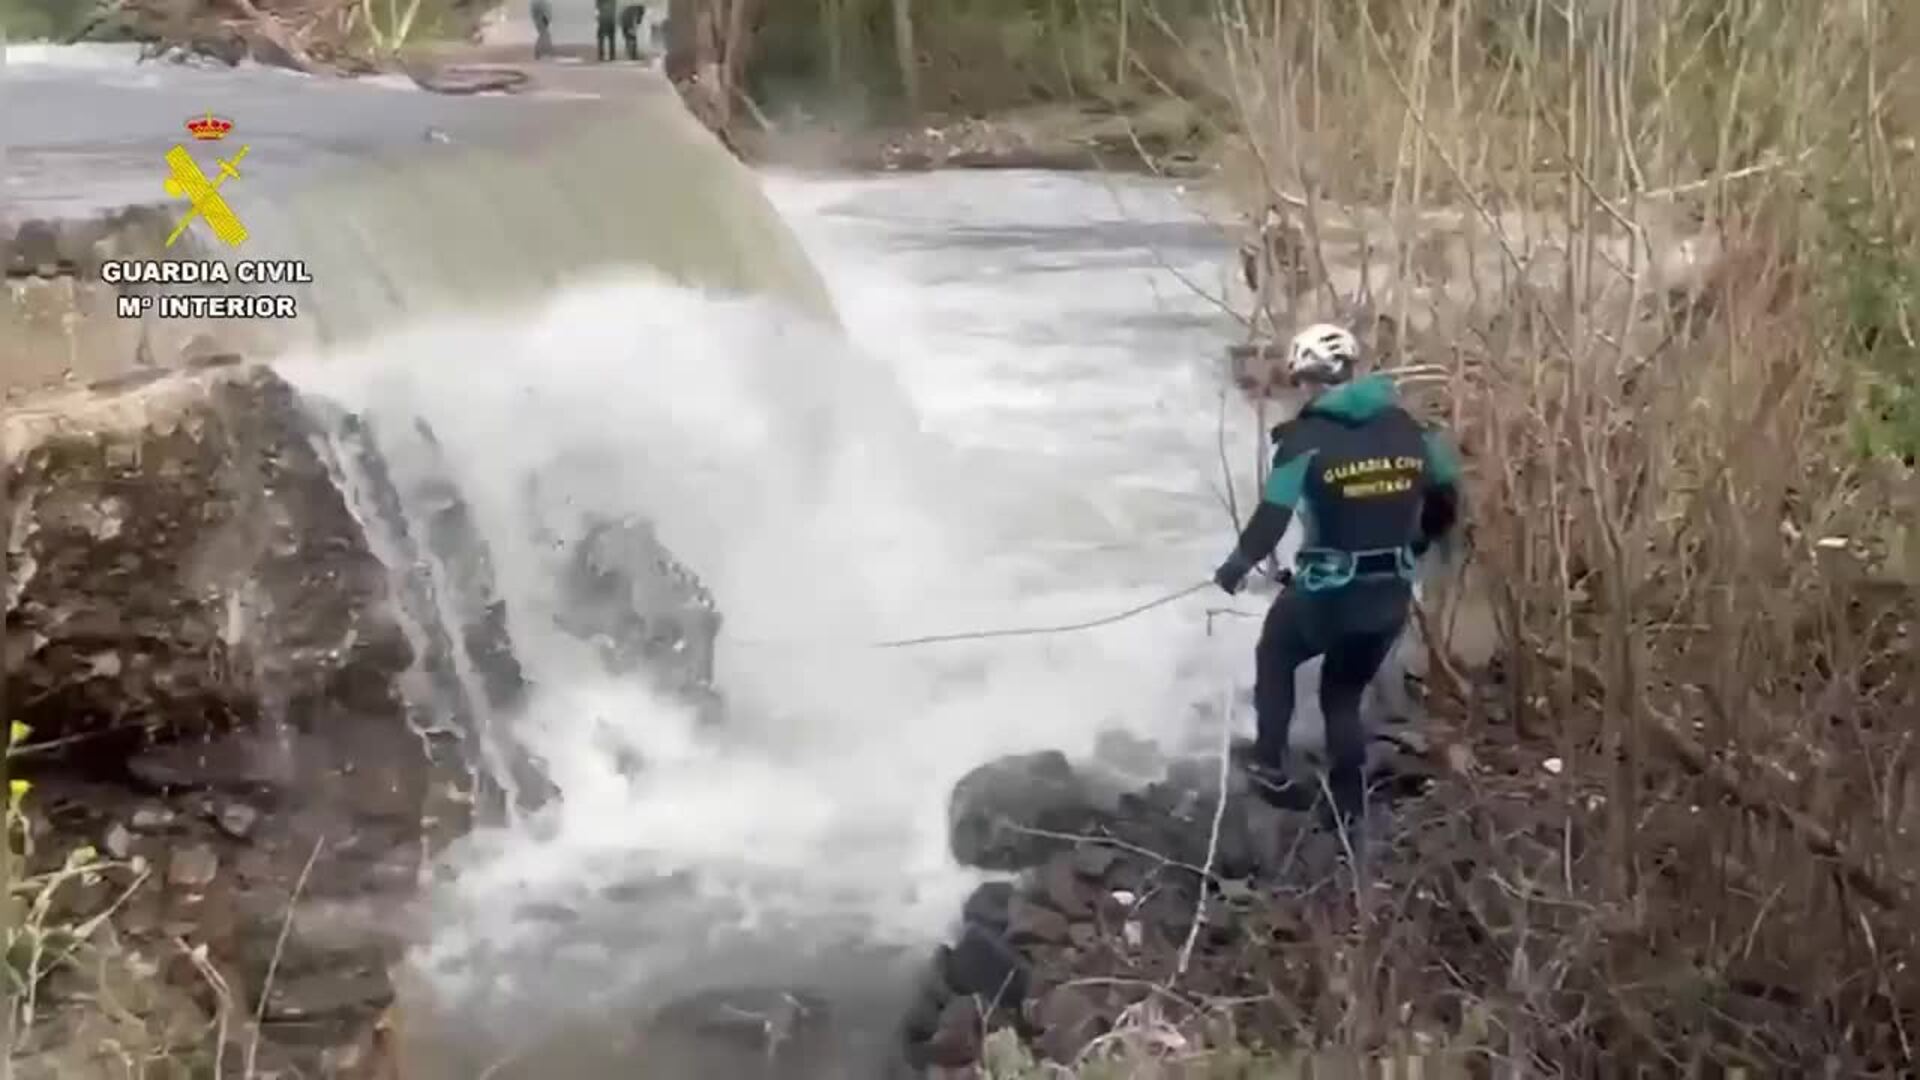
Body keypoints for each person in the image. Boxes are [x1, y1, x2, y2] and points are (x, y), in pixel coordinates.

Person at [1211, 322, 1462, 840]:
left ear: (1308, 381)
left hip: (1330, 595)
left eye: (1299, 382)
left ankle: (1269, 765)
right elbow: (1446, 499)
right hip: (1389, 594)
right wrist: (1419, 544)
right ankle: (1349, 807)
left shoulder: (1303, 440)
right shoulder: (1413, 431)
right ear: (1354, 370)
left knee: (1277, 654)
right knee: (1342, 694)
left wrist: (1236, 567)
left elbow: (1272, 518)